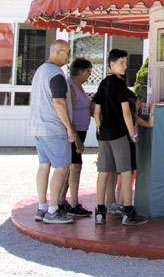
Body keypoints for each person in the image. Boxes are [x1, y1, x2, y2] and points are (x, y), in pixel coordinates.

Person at [29, 40, 82, 224]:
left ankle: (42, 207)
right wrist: (69, 128)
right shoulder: (56, 74)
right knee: (62, 168)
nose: (69, 57)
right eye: (67, 52)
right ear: (58, 52)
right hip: (53, 128)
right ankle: (53, 211)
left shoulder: (40, 71)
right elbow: (59, 102)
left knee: (44, 166)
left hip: (38, 127)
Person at [93, 48, 147, 226]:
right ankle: (128, 211)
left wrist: (100, 128)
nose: (125, 66)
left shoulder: (103, 83)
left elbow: (96, 110)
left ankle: (100, 211)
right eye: (121, 63)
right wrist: (132, 133)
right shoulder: (119, 85)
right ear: (112, 64)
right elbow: (126, 112)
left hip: (104, 135)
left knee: (103, 172)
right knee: (125, 171)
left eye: (125, 62)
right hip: (119, 134)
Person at [65, 57, 95, 217]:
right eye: (88, 71)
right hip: (74, 132)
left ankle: (66, 201)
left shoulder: (79, 87)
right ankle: (73, 203)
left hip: (81, 131)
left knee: (73, 166)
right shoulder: (70, 86)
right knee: (74, 166)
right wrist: (75, 136)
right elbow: (68, 114)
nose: (90, 74)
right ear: (81, 71)